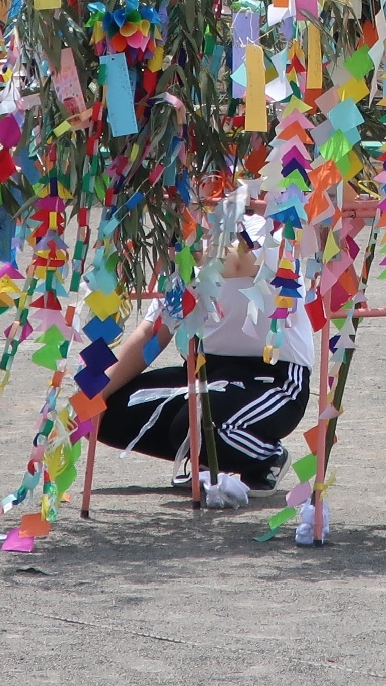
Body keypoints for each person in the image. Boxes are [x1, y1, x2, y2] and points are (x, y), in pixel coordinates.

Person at [93, 204, 311, 495]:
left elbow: (236, 263)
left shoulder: (264, 226)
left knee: (197, 424)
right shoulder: (185, 238)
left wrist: (187, 250)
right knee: (104, 415)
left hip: (273, 376)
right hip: (205, 371)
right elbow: (154, 331)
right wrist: (93, 396)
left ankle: (266, 457)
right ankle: (207, 457)